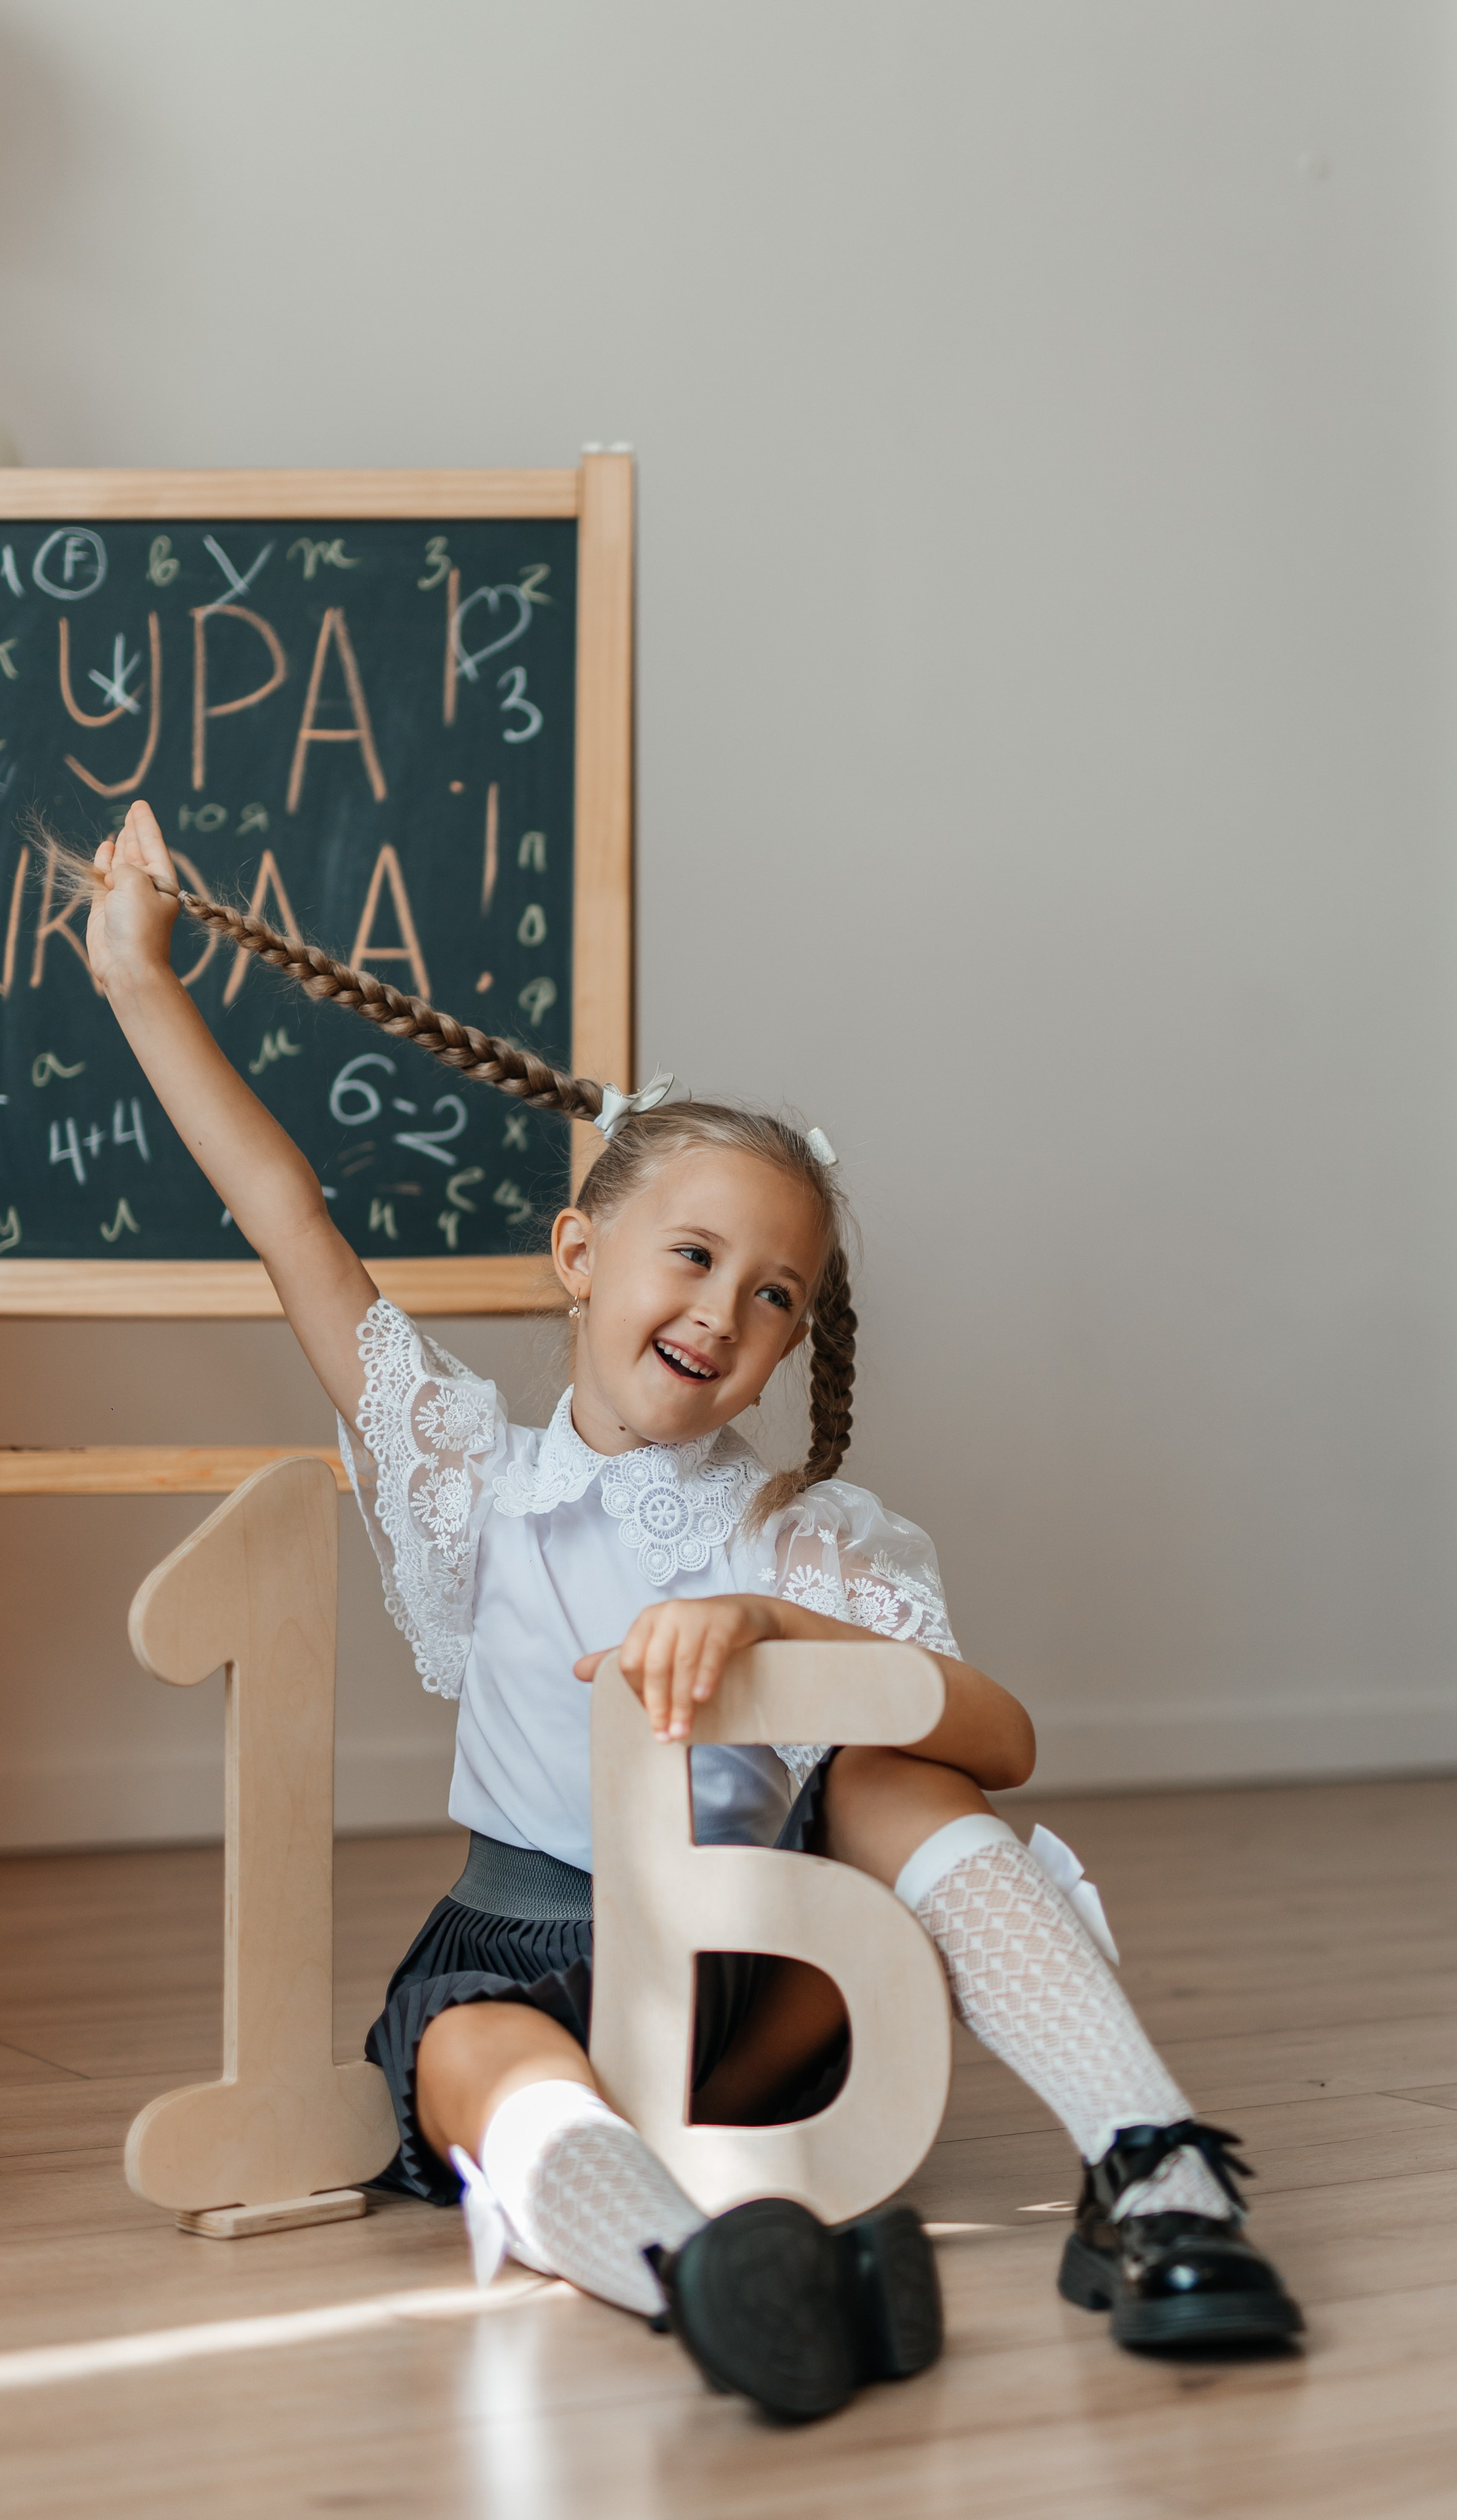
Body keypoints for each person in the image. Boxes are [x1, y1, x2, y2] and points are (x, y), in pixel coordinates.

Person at [87, 800, 1302, 2421]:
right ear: (579, 1254)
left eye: (771, 1293)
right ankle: (708, 2277)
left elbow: (1004, 1741)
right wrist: (139, 981)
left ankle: (1153, 2173)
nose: (722, 1309)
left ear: (791, 1345)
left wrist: (781, 1634)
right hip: (531, 1966)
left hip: (753, 1984)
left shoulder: (806, 1538)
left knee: (884, 1769)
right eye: (690, 1255)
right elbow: (287, 1217)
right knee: (466, 2060)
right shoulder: (468, 1475)